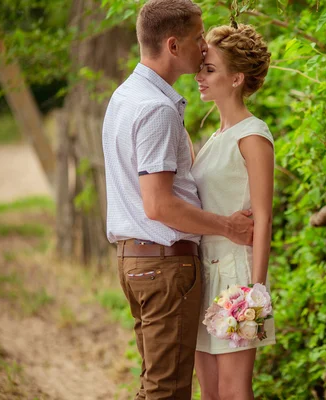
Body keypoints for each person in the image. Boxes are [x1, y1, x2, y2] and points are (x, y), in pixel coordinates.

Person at [101, 1, 254, 398]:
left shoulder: (125, 96)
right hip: (164, 267)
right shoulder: (156, 108)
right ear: (172, 45)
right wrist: (228, 226)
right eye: (197, 38)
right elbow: (159, 206)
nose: (203, 46)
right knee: (167, 391)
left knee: (155, 384)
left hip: (136, 261)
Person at [192, 23, 276, 400]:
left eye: (209, 69)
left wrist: (255, 294)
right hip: (203, 273)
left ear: (237, 78)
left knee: (233, 391)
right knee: (209, 391)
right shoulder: (213, 137)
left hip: (236, 278)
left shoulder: (253, 136)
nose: (199, 76)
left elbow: (263, 218)